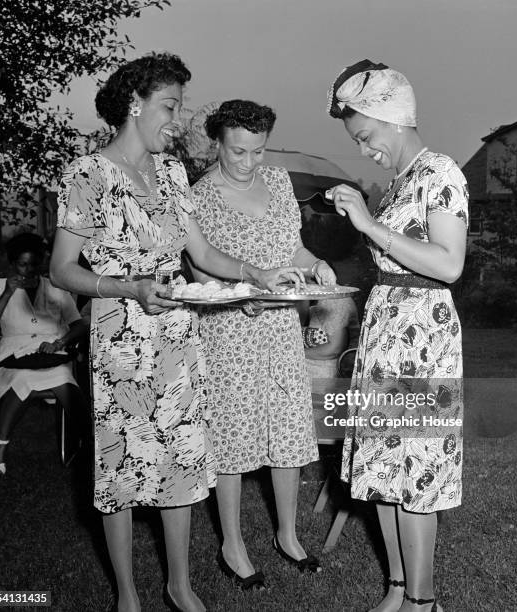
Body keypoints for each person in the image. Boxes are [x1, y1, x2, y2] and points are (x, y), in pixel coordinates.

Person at [49, 54, 304, 612]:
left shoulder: (169, 174)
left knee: (184, 465)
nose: (177, 118)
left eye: (181, 107)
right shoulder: (86, 174)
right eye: (170, 106)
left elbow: (204, 253)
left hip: (178, 340)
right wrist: (128, 288)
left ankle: (180, 585)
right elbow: (62, 269)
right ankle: (127, 594)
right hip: (122, 337)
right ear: (134, 105)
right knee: (121, 467)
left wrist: (255, 272)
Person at [326, 59, 468, 612]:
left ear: (392, 117)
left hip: (423, 339)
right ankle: (397, 588)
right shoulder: (399, 184)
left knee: (418, 476)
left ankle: (424, 601)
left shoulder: (442, 173)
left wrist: (368, 225)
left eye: (365, 136)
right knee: (385, 471)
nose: (365, 150)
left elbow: (449, 264)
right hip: (387, 332)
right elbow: (391, 262)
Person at [189, 99, 337, 588]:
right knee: (232, 436)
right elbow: (198, 268)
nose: (248, 162)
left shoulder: (277, 182)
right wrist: (242, 295)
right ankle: (232, 543)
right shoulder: (200, 195)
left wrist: (315, 264)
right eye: (237, 151)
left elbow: (289, 247)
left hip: (280, 328)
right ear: (217, 143)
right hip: (230, 329)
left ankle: (288, 534)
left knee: (288, 430)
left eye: (258, 150)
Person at [0, 233, 87, 476]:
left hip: (52, 356)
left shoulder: (55, 287)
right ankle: (0, 444)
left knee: (64, 379)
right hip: (12, 360)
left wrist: (61, 341)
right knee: (24, 378)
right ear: (12, 263)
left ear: (42, 262)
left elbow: (78, 324)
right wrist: (7, 294)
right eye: (22, 264)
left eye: (34, 264)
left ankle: (88, 445)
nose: (28, 270)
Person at [298, 296, 360, 379]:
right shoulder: (307, 298)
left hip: (327, 378)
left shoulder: (335, 301)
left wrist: (292, 354)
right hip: (304, 374)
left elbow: (335, 349)